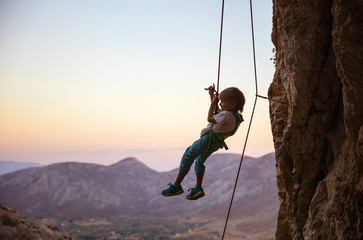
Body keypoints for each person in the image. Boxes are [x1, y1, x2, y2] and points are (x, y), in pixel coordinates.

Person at [161, 84, 245, 200]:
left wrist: (212, 102)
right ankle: (198, 188)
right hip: (215, 143)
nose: (220, 103)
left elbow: (211, 117)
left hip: (208, 139)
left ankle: (176, 185)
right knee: (199, 161)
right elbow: (218, 112)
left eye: (223, 101)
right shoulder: (233, 116)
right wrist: (212, 96)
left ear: (234, 103)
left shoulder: (226, 115)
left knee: (188, 155)